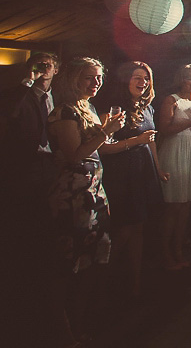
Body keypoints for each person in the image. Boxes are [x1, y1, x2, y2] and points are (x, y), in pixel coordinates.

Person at [47, 57, 125, 344]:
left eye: (99, 77)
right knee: (70, 264)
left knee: (94, 261)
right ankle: (62, 331)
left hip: (94, 194)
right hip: (73, 198)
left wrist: (115, 135)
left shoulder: (88, 108)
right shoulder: (65, 111)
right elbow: (74, 155)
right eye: (90, 77)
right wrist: (106, 131)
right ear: (73, 79)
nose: (96, 83)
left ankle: (80, 323)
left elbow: (97, 150)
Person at [1, 52, 69, 346]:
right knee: (32, 223)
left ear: (57, 69)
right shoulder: (22, 93)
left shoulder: (62, 96)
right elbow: (10, 114)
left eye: (48, 65)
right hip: (28, 167)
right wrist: (28, 81)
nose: (43, 69)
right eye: (38, 64)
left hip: (56, 164)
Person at [95, 61, 165, 297]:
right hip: (122, 174)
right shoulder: (113, 108)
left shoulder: (147, 108)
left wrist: (158, 170)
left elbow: (151, 142)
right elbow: (103, 147)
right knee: (124, 230)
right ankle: (101, 281)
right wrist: (136, 141)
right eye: (137, 77)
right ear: (125, 79)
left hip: (143, 172)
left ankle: (135, 282)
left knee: (139, 228)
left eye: (146, 78)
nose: (142, 82)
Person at [156, 64, 191, 270]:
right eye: (190, 78)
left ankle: (179, 251)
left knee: (186, 206)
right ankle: (165, 253)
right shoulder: (171, 100)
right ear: (181, 79)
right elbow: (165, 129)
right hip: (174, 153)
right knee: (173, 207)